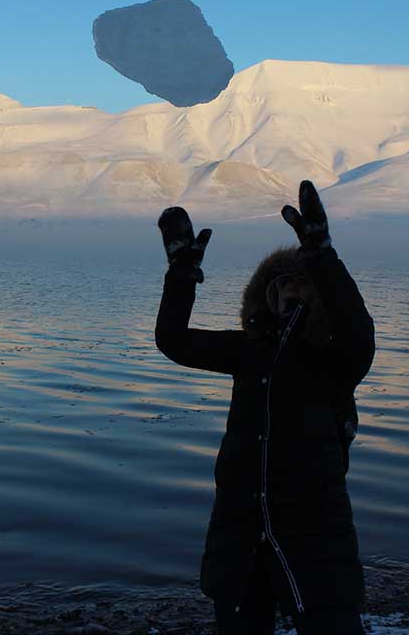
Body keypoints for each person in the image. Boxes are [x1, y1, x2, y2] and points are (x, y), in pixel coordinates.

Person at [155, 180, 374, 635]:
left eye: (300, 284)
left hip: (316, 538)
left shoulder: (335, 360)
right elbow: (173, 341)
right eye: (279, 285)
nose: (290, 292)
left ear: (316, 295)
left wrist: (320, 254)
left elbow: (359, 332)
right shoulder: (248, 352)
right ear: (264, 299)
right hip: (240, 537)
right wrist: (181, 274)